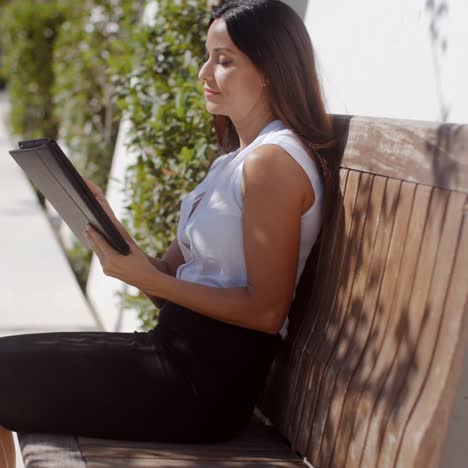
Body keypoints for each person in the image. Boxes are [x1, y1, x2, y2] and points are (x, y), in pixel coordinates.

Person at [0, 0, 335, 466]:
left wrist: (149, 279)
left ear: (271, 70)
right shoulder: (232, 163)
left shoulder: (271, 163)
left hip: (202, 386)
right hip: (174, 356)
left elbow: (265, 310)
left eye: (224, 60)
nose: (203, 72)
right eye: (207, 56)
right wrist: (110, 228)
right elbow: (168, 281)